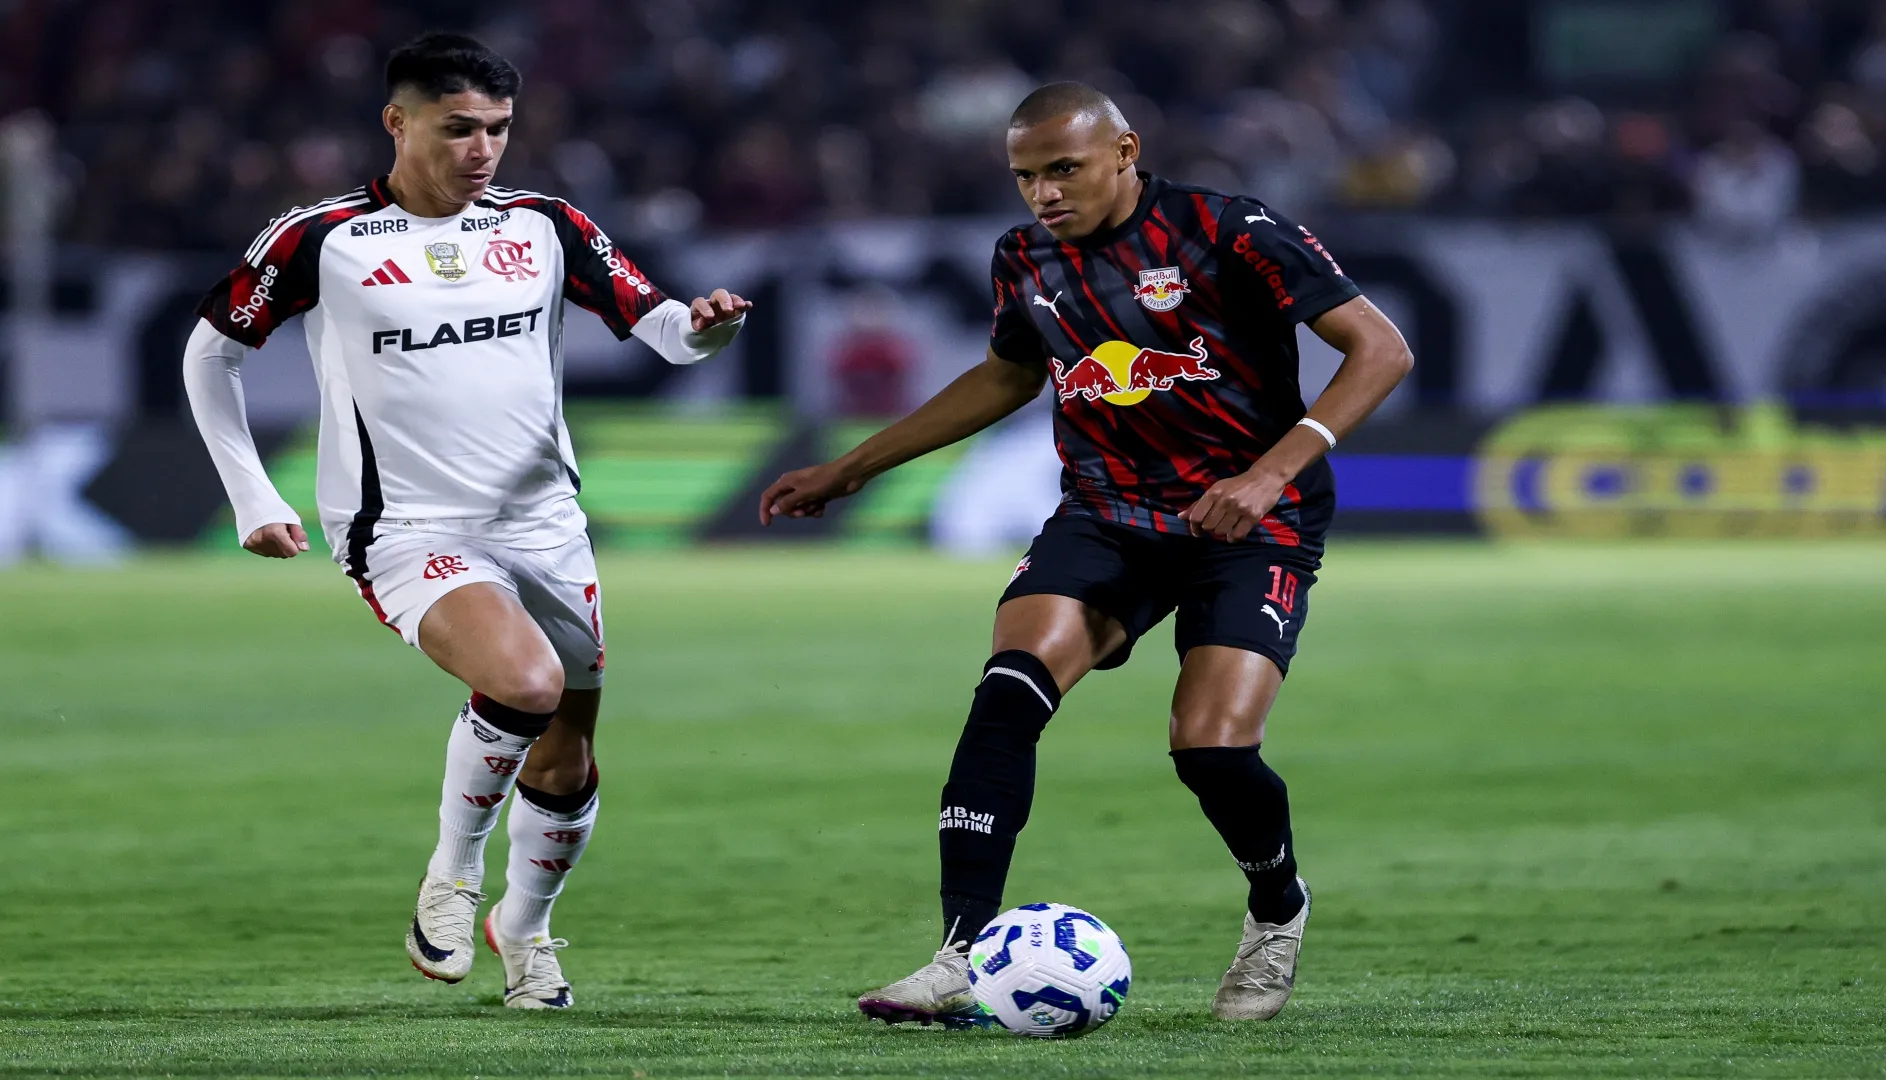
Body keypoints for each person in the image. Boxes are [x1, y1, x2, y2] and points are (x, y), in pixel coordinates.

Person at [760, 82, 1412, 1025]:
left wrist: (1271, 475)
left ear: (1125, 151)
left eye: (1063, 169)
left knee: (1211, 751)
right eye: (1026, 176)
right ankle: (958, 954)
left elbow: (1380, 350)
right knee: (1006, 695)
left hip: (1249, 522)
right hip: (1106, 513)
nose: (1044, 194)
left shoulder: (1229, 229)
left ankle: (1277, 911)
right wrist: (856, 466)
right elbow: (1006, 375)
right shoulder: (1022, 257)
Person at [184, 33, 750, 1009]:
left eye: (497, 127)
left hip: (543, 523)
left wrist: (707, 329)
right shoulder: (321, 237)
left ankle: (523, 935)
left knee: (567, 755)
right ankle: (451, 875)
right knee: (523, 681)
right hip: (404, 526)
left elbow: (659, 325)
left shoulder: (544, 224)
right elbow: (208, 354)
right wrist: (252, 495)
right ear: (398, 123)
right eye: (460, 128)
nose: (483, 147)